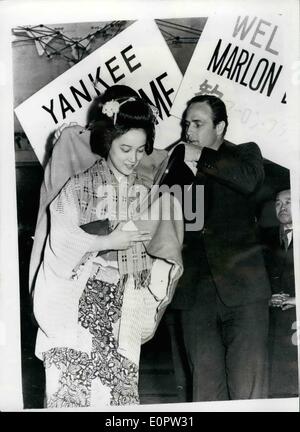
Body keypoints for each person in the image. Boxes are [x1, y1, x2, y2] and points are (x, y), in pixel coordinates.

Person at [31, 85, 183, 408]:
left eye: (141, 150)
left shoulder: (148, 194)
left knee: (118, 405)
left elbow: (161, 257)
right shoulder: (78, 185)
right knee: (69, 396)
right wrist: (106, 241)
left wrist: (157, 268)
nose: (133, 158)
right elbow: (59, 242)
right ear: (107, 141)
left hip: (123, 310)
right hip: (73, 308)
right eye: (125, 148)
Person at [167, 94, 271, 401]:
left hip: (245, 291)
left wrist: (199, 156)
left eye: (198, 124)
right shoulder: (176, 164)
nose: (189, 131)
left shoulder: (245, 155)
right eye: (187, 124)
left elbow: (250, 181)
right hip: (195, 295)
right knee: (205, 391)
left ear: (221, 126)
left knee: (248, 389)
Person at [262, 189, 298, 397]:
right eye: (278, 203)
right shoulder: (265, 239)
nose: (282, 207)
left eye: (289, 202)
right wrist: (267, 296)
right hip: (274, 321)